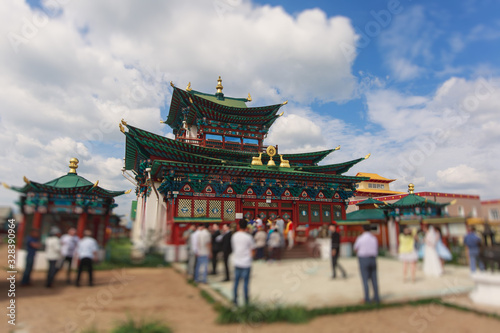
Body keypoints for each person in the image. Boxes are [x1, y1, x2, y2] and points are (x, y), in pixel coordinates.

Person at [353, 224, 380, 304]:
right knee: (374, 279)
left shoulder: (360, 238)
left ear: (363, 229)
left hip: (363, 259)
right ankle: (376, 297)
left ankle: (367, 298)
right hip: (373, 258)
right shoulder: (374, 238)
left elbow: (355, 248)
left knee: (365, 279)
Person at [231, 219, 255, 306]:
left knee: (236, 282)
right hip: (246, 262)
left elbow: (234, 248)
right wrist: (249, 258)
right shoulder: (248, 237)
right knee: (245, 283)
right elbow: (252, 250)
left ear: (238, 226)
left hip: (237, 261)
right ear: (247, 227)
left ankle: (235, 300)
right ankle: (246, 302)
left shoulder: (234, 236)